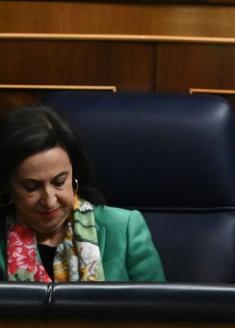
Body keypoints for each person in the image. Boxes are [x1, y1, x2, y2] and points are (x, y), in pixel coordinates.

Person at [0, 105, 165, 282]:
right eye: (32, 187)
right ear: (7, 186)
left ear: (74, 175)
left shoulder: (124, 229)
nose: (49, 200)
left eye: (59, 182)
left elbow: (159, 308)